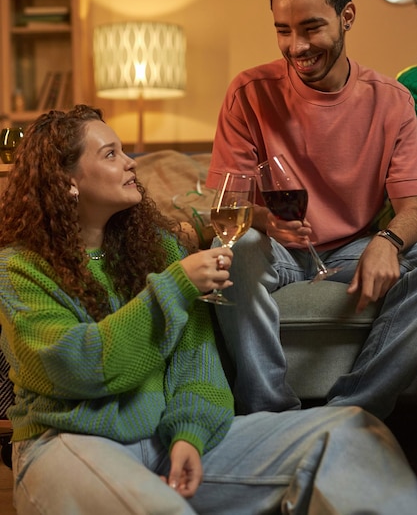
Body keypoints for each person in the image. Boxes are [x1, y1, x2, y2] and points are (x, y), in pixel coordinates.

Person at [1, 107, 417, 514]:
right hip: (68, 441)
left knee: (350, 433)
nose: (131, 163)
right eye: (110, 154)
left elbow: (197, 363)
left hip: (167, 443)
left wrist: (190, 433)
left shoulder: (156, 248)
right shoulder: (19, 269)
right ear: (68, 180)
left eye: (125, 151)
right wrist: (175, 286)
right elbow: (80, 365)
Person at [206, 0, 417, 420]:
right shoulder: (248, 93)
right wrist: (267, 222)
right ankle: (270, 418)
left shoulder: (393, 103)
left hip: (350, 250)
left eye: (311, 28)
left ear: (347, 17)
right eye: (283, 30)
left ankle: (352, 412)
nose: (296, 45)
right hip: (273, 250)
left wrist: (387, 240)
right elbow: (227, 208)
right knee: (233, 251)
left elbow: (412, 204)